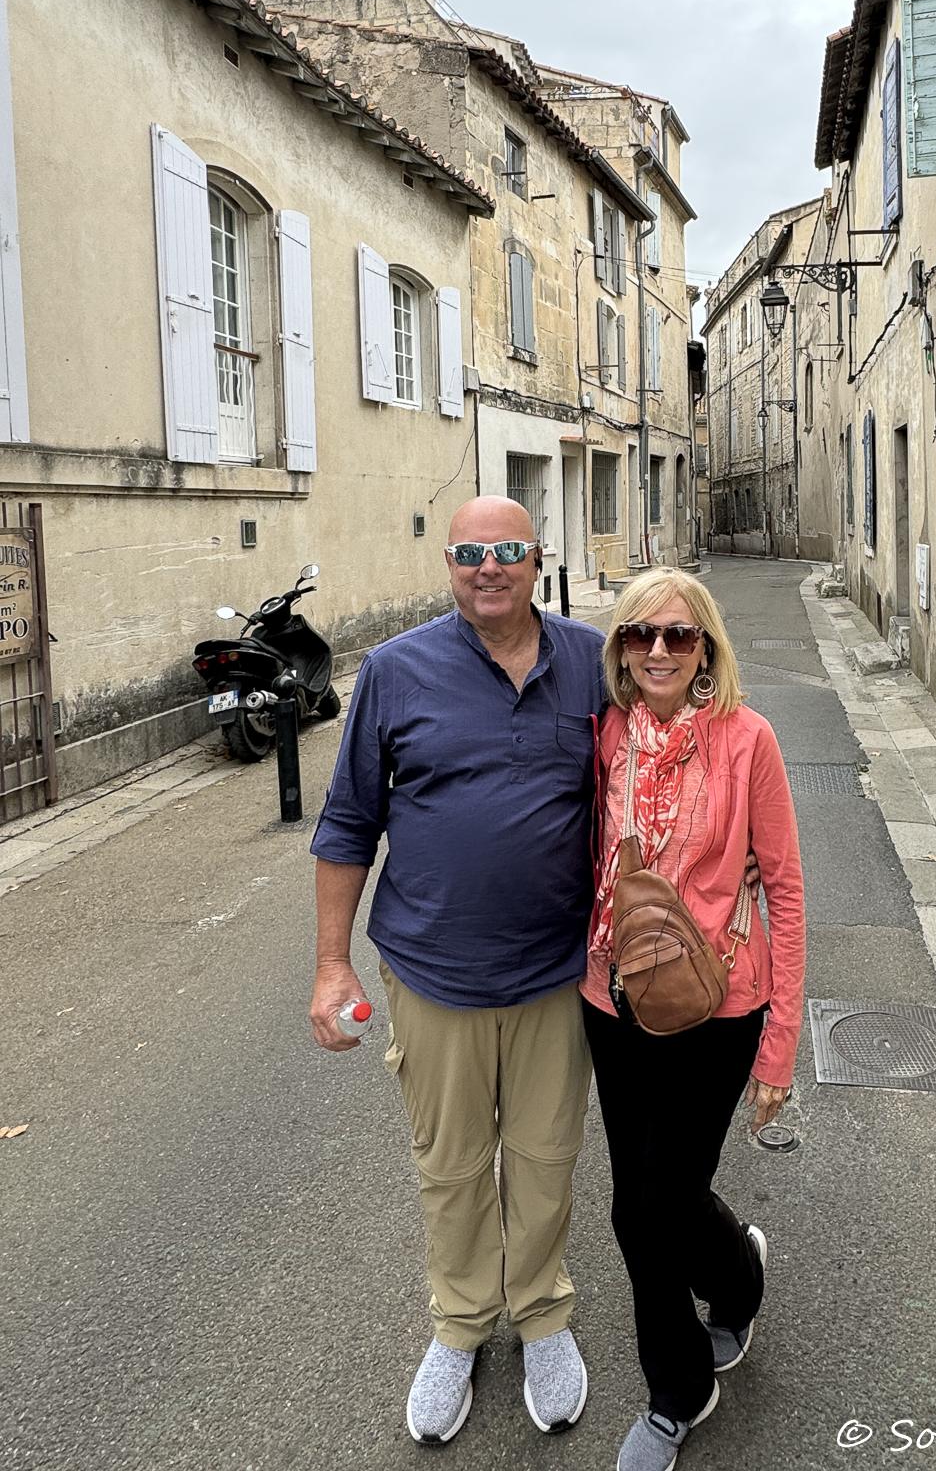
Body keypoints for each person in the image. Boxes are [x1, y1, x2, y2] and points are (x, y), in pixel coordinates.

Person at [308, 496, 604, 1445]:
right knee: (452, 1164)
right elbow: (349, 824)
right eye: (470, 553)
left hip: (559, 971)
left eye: (507, 551)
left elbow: (669, 757)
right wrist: (328, 967)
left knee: (546, 1156)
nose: (489, 567)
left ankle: (543, 1313)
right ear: (449, 564)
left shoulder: (592, 663)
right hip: (432, 971)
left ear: (536, 558)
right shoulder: (397, 672)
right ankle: (461, 1323)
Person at [582, 566, 806, 1471]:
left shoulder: (747, 741)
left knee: (656, 1203)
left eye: (679, 635)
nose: (660, 650)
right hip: (616, 1001)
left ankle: (677, 1391)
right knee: (640, 1207)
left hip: (721, 1009)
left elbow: (784, 892)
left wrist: (780, 1047)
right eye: (641, 636)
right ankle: (730, 1281)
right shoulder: (608, 739)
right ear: (621, 652)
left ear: (706, 646)